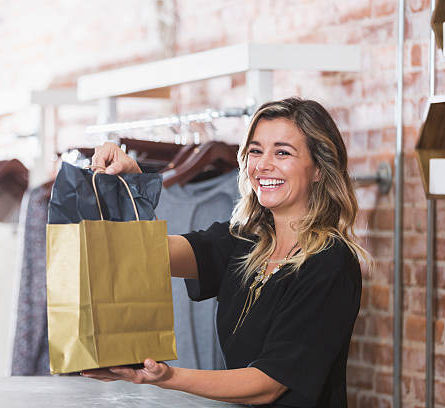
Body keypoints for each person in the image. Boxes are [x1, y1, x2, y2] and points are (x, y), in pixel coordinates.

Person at [83, 97, 369, 407]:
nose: (263, 164)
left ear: (318, 168)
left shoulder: (330, 263)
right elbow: (148, 253)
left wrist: (166, 377)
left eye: (282, 152)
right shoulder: (245, 242)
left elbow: (268, 384)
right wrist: (131, 184)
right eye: (256, 151)